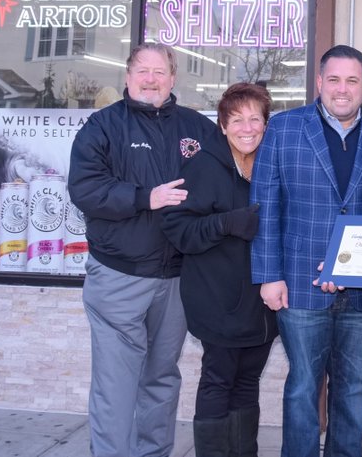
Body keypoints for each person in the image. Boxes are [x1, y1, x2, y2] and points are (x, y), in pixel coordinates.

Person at [69, 42, 220, 457]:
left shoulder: (198, 128)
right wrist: (143, 198)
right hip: (119, 276)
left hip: (176, 279)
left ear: (173, 78)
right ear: (128, 75)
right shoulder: (101, 127)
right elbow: (84, 189)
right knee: (115, 386)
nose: (151, 79)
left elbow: (221, 189)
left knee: (162, 379)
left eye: (159, 72)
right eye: (143, 71)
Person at [250, 44, 362, 457]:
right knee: (302, 386)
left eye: (352, 80)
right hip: (299, 284)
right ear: (319, 82)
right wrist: (268, 276)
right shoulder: (283, 128)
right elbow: (264, 206)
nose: (342, 88)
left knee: (354, 389)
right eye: (333, 79)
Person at [161, 82, 277, 457]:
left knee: (247, 383)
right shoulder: (203, 167)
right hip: (216, 299)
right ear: (223, 126)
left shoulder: (271, 167)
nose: (247, 128)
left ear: (265, 124)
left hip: (261, 302)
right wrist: (224, 224)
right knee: (218, 382)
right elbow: (178, 231)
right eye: (237, 120)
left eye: (255, 119)